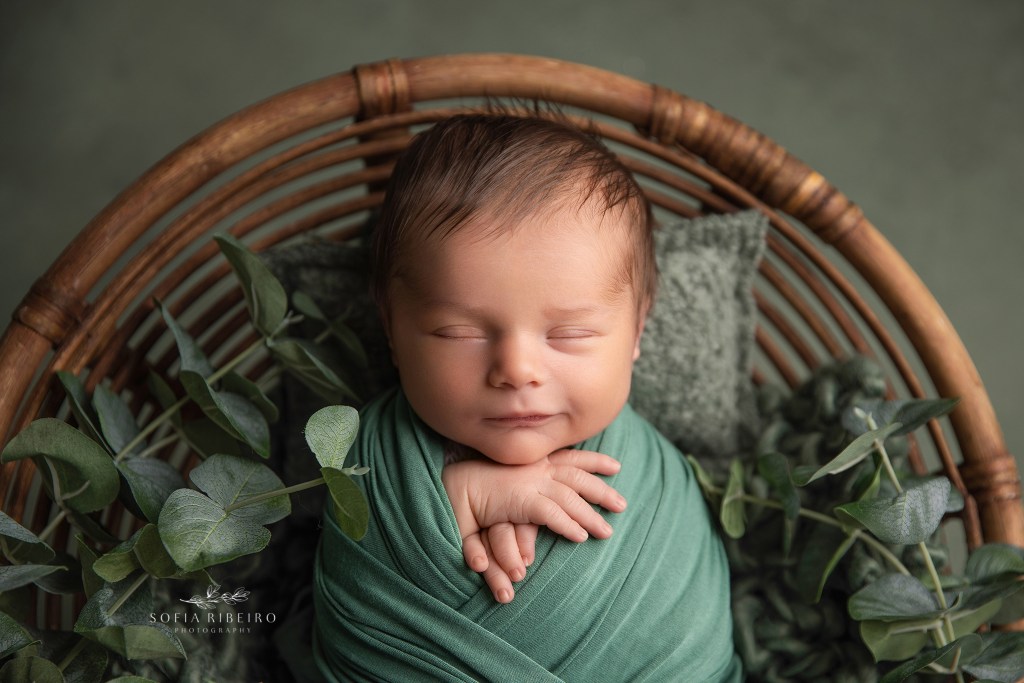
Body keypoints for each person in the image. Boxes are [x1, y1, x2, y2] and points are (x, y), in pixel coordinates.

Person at [313, 112, 742, 682]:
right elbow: (354, 561)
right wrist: (453, 500)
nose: (517, 370)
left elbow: (687, 630)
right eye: (458, 332)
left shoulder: (658, 481)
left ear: (638, 332)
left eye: (571, 334)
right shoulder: (371, 449)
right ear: (391, 328)